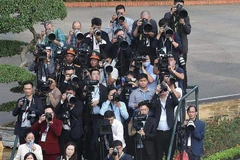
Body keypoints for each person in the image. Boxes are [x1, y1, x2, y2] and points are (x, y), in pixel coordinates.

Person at [164, 0, 191, 93]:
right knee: (171, 65)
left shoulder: (184, 15)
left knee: (182, 66)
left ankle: (183, 88)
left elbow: (188, 31)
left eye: (181, 5)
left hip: (182, 46)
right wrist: (171, 12)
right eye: (178, 5)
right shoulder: (169, 14)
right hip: (171, 45)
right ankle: (172, 85)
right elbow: (165, 21)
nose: (179, 7)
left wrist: (183, 23)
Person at [55, 85, 84, 158]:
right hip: (64, 131)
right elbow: (56, 111)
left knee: (76, 152)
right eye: (67, 93)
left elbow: (77, 114)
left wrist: (71, 106)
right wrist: (62, 101)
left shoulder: (78, 103)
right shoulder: (63, 102)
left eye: (70, 93)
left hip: (75, 131)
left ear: (74, 93)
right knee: (64, 151)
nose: (69, 95)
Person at [151, 82, 179, 160]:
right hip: (159, 131)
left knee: (169, 152)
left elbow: (176, 102)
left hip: (169, 131)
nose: (163, 92)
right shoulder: (156, 101)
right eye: (161, 90)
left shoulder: (170, 101)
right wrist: (156, 92)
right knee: (158, 153)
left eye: (164, 90)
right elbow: (151, 105)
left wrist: (169, 90)